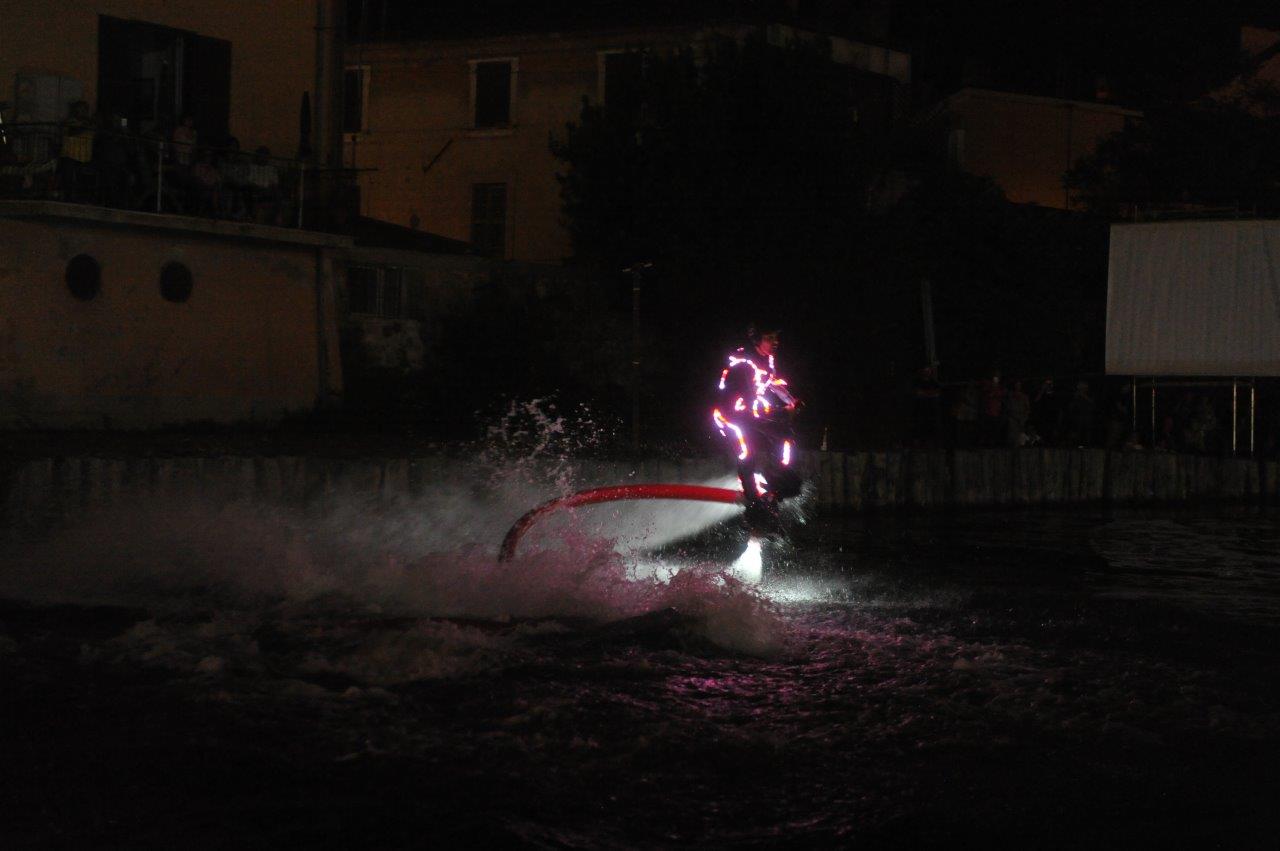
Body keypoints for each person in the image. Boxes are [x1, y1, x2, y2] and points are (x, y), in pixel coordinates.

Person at [711, 322, 802, 534]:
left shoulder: (766, 361)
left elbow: (773, 383)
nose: (775, 342)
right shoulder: (744, 365)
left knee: (785, 439)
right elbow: (750, 403)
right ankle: (752, 503)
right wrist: (781, 413)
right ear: (757, 340)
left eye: (776, 338)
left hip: (751, 415)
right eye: (770, 338)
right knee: (747, 453)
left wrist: (792, 401)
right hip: (732, 417)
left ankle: (772, 494)